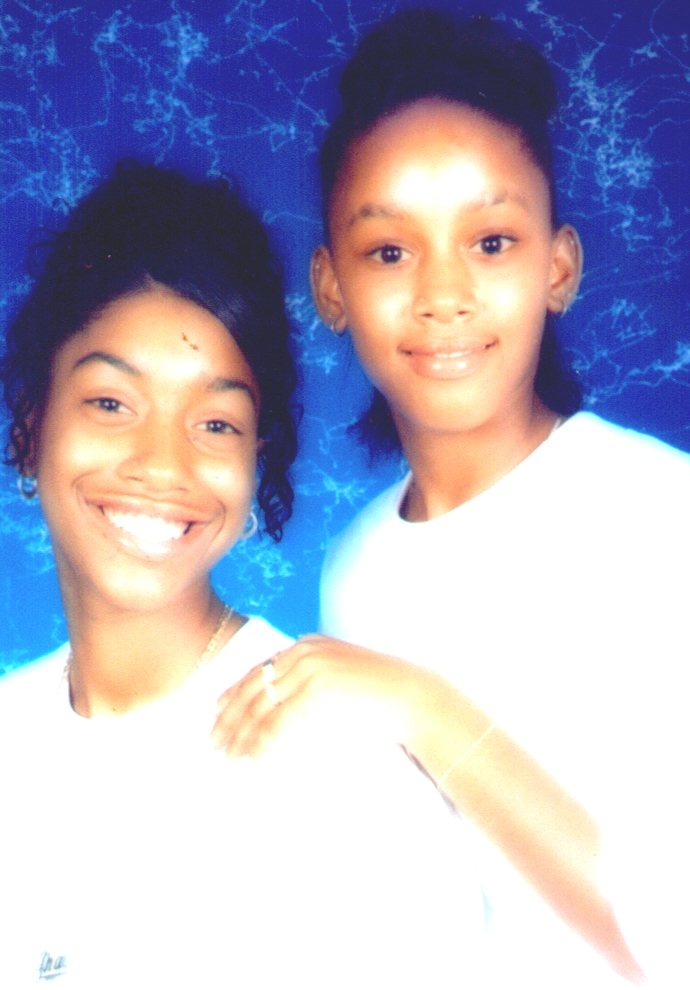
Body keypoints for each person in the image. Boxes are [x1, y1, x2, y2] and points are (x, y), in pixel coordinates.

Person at [212, 10, 690, 988]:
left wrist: (425, 705)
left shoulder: (652, 512)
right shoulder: (354, 566)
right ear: (330, 287)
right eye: (390, 251)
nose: (442, 294)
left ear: (558, 266)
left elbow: (666, 937)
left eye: (491, 241)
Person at [0, 160, 489, 989]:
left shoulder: (342, 772)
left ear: (257, 465)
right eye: (111, 404)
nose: (162, 464)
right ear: (30, 427)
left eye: (216, 422)